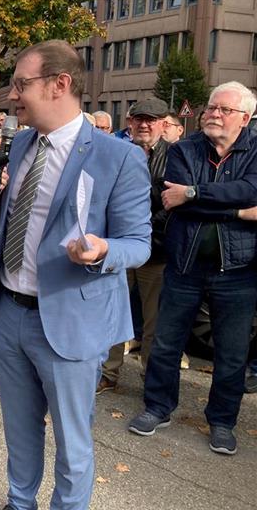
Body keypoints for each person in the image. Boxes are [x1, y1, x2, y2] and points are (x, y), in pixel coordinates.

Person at [0, 41, 151, 509]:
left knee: (73, 442)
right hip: (9, 310)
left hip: (72, 321)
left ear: (60, 84)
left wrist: (101, 250)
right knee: (18, 428)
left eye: (21, 84)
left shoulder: (118, 157)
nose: (12, 96)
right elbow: (5, 221)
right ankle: (20, 502)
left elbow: (139, 243)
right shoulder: (18, 146)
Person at [129, 81, 257, 456]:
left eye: (224, 110)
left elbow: (251, 189)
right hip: (183, 265)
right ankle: (157, 407)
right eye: (211, 108)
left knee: (232, 354)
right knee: (167, 344)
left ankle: (221, 421)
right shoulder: (184, 150)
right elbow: (173, 197)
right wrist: (239, 211)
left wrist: (195, 194)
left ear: (245, 118)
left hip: (238, 271)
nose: (213, 114)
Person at [98, 98, 173, 394]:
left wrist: (138, 227)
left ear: (163, 124)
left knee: (154, 321)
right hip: (118, 249)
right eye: (139, 118)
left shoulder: (175, 156)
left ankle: (150, 377)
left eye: (151, 119)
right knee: (114, 312)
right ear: (129, 122)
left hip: (156, 251)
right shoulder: (116, 152)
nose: (144, 124)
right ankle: (108, 372)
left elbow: (171, 204)